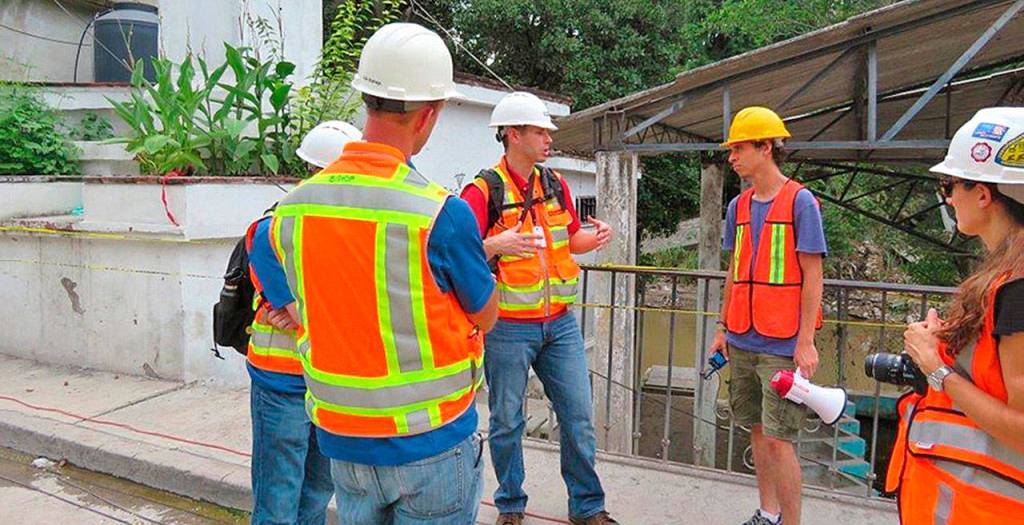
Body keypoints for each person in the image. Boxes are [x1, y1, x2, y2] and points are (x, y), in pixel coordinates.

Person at [252, 23, 499, 524]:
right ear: (429, 115)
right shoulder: (439, 214)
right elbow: (487, 314)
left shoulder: (292, 212)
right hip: (431, 441)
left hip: (343, 442)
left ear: (366, 99)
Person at [460, 91, 617, 525]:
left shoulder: (554, 183)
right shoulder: (482, 191)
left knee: (579, 418)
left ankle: (588, 507)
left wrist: (595, 236)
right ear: (513, 134)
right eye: (540, 131)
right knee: (508, 422)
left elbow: (570, 240)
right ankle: (510, 505)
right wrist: (497, 243)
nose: (549, 138)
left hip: (560, 325)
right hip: (508, 328)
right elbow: (459, 252)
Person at [888, 107, 1024, 522]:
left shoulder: (1016, 289)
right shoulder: (1003, 277)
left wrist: (936, 369)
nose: (947, 196)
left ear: (983, 194)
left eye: (950, 184)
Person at [708, 106, 827, 525]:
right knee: (757, 431)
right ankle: (767, 513)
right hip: (741, 338)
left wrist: (805, 341)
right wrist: (722, 328)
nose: (732, 157)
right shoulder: (737, 207)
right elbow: (734, 273)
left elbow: (813, 274)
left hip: (781, 344)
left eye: (739, 148)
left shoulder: (801, 203)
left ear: (765, 147)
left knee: (780, 440)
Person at [243, 119, 361, 525]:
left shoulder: (351, 233)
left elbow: (311, 314)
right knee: (278, 499)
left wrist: (309, 314)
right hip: (283, 382)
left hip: (329, 386)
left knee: (316, 493)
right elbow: (331, 314)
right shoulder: (270, 231)